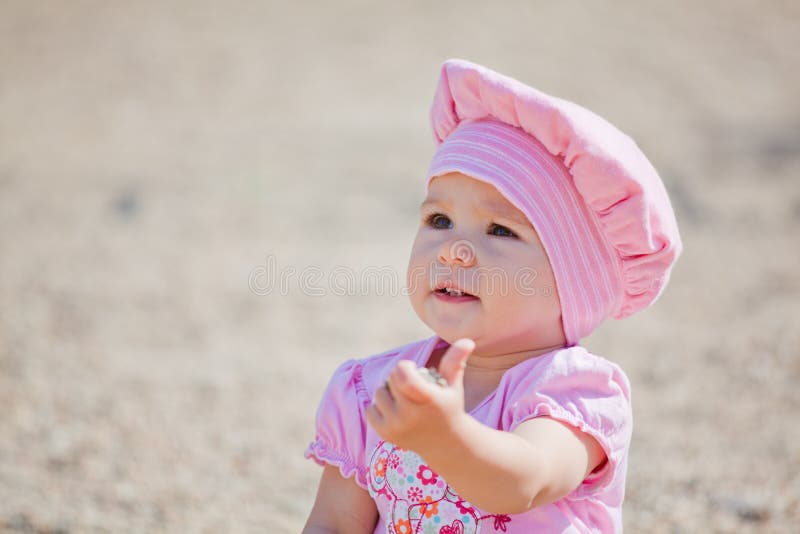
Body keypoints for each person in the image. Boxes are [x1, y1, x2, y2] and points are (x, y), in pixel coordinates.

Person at [302, 58, 682, 533]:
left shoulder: (573, 392)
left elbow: (525, 481)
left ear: (575, 283)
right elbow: (335, 523)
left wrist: (446, 436)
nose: (454, 252)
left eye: (500, 230)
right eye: (439, 221)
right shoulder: (372, 389)